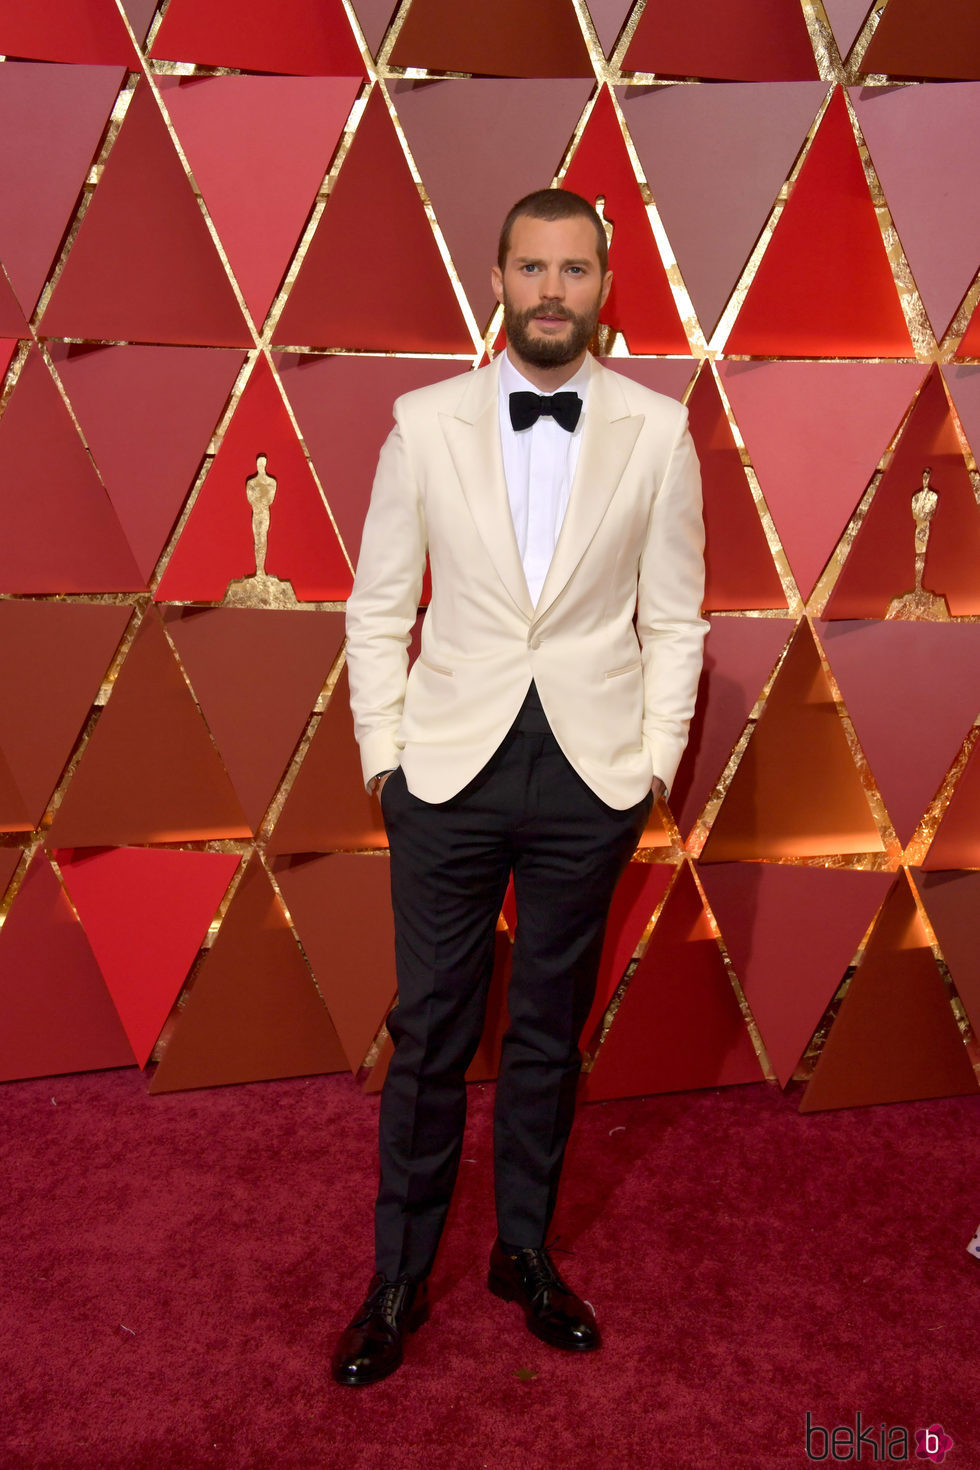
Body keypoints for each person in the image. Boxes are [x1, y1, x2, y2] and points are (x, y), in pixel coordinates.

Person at [333, 188, 706, 1386]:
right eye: (531, 267)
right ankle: (396, 1279)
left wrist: (647, 766)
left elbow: (677, 616)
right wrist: (382, 758)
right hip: (443, 768)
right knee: (431, 1027)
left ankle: (523, 1254)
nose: (552, 289)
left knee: (547, 1031)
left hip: (588, 773)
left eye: (575, 269)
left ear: (605, 284)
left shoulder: (656, 430)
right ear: (496, 276)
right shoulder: (423, 422)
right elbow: (380, 604)